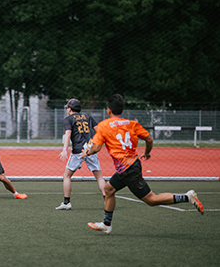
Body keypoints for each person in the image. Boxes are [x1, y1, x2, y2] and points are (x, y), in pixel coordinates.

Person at [82, 94, 204, 234]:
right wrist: (147, 152)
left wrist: (87, 153)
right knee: (108, 190)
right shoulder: (131, 124)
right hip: (129, 167)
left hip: (128, 170)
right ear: (121, 110)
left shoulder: (103, 125)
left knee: (151, 200)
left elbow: (96, 148)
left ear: (108, 110)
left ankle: (187, 197)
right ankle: (106, 224)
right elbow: (149, 139)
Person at [56, 98, 105, 210]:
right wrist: (94, 143)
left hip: (78, 151)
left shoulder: (68, 119)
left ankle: (67, 202)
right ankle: (107, 199)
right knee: (99, 177)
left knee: (67, 176)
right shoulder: (88, 117)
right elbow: (99, 131)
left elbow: (68, 134)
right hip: (89, 149)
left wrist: (64, 149)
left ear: (69, 108)